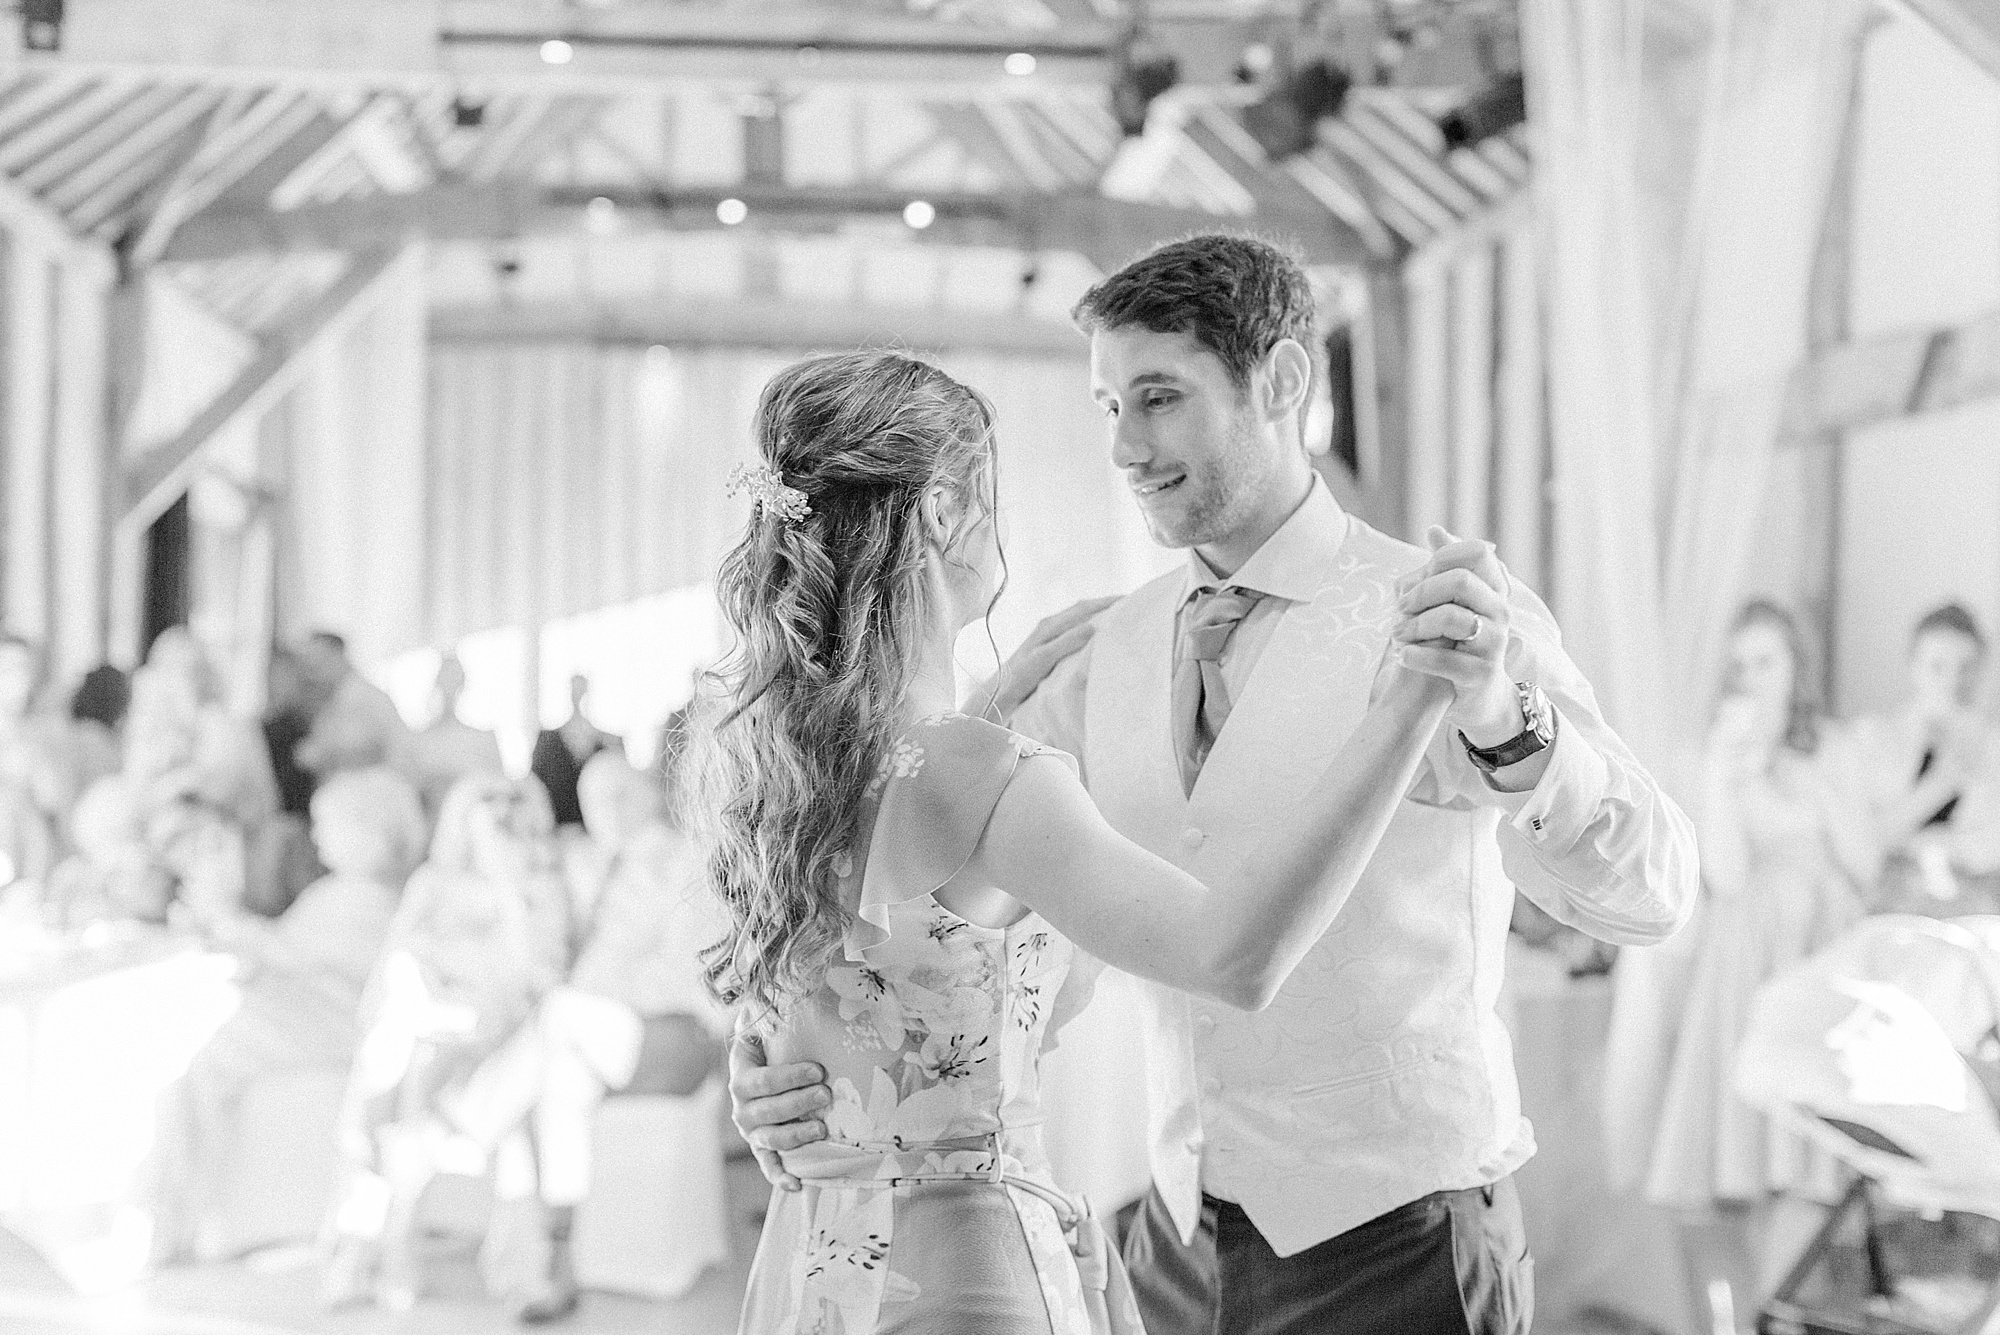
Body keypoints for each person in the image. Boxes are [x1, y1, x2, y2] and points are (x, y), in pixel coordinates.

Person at [730, 238, 1699, 1335]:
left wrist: (1500, 723)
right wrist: (786, 1063)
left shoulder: (1441, 614)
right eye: (1106, 406)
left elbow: (1650, 893)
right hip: (1174, 1246)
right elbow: (914, 904)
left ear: (1281, 382)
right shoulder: (1100, 651)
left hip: (1402, 1237)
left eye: (1158, 398)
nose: (1126, 448)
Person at [698, 347, 1471, 1335]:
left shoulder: (774, 769)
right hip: (961, 1278)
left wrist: (982, 714)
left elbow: (896, 976)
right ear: (941, 513)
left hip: (813, 1267)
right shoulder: (991, 779)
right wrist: (1411, 702)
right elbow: (1235, 957)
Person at [1619, 600, 1877, 1329]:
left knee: (1812, 1165)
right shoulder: (1720, 753)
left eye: (1766, 660)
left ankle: (1786, 1310)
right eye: (1740, 664)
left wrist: (1806, 784)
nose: (1753, 677)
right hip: (1746, 966)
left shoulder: (1834, 745)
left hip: (1820, 956)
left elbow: (1861, 862)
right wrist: (1730, 778)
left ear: (1796, 665)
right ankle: (1736, 1318)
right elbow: (1726, 876)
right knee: (1739, 1163)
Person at [438, 751, 729, 1324]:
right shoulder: (597, 867)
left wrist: (607, 989)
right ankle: (554, 1261)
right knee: (550, 1094)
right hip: (603, 1038)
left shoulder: (682, 861)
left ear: (651, 795)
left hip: (675, 1034)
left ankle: (471, 1117)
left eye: (622, 795)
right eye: (595, 802)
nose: (609, 811)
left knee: (562, 1013)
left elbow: (696, 968)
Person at [142, 767, 428, 1264]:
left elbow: (299, 960)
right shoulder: (339, 892)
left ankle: (178, 1214)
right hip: (303, 1012)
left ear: (368, 830)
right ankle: (186, 1209)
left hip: (328, 1025)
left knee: (195, 1062)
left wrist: (229, 920)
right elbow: (286, 954)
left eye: (329, 824)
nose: (316, 836)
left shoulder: (374, 899)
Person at [321, 773, 573, 1313]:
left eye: (504, 824)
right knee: (401, 1054)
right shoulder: (432, 884)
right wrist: (432, 992)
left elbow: (541, 976)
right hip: (426, 1027)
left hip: (501, 1032)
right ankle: (383, 1249)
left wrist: (510, 895)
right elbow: (397, 961)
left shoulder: (538, 887)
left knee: (415, 1080)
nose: (492, 834)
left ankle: (382, 1247)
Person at [124, 628, 281, 929]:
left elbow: (231, 788)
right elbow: (138, 793)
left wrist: (181, 785)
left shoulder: (225, 722)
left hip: (224, 843)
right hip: (164, 849)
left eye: (193, 670)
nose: (185, 680)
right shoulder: (150, 729)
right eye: (174, 671)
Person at [1848, 603, 2000, 906]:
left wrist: (1935, 847)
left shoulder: (1993, 746)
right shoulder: (1872, 738)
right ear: (1913, 666)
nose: (1952, 681)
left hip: (1977, 910)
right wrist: (1944, 781)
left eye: (1965, 668)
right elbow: (1862, 843)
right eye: (1937, 666)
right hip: (1883, 908)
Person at [294, 632, 412, 783]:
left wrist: (331, 757)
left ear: (338, 654)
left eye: (320, 659)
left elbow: (394, 752)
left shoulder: (372, 699)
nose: (313, 669)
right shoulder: (325, 703)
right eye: (309, 663)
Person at [404, 652, 504, 814]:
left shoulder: (483, 739)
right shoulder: (417, 741)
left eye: (454, 678)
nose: (449, 686)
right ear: (436, 681)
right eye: (444, 678)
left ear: (463, 683)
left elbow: (500, 790)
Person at [530, 676, 618, 828]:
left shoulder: (608, 743)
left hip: (596, 832)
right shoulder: (548, 740)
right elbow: (535, 786)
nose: (577, 695)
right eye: (574, 690)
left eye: (581, 690)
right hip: (556, 829)